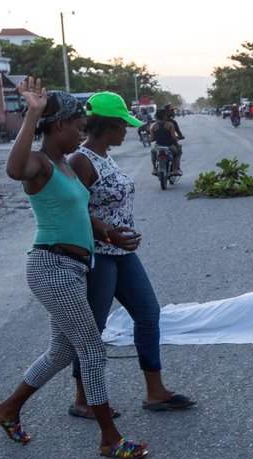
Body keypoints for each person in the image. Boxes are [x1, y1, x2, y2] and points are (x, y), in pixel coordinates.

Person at [0, 77, 147, 459]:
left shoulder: (64, 164)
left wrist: (109, 235)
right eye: (77, 125)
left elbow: (80, 213)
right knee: (92, 349)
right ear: (58, 126)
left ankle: (8, 409)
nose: (82, 132)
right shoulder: (40, 163)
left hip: (74, 266)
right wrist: (32, 114)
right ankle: (110, 437)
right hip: (52, 264)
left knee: (61, 350)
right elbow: (13, 169)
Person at [67, 92, 194, 418]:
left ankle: (155, 392)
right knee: (92, 328)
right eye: (123, 125)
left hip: (122, 254)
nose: (128, 131)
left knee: (149, 315)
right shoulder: (80, 161)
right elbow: (73, 212)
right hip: (99, 256)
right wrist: (108, 234)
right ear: (107, 126)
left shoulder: (106, 157)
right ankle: (83, 399)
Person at [149, 108, 180, 176]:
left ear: (156, 116)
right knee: (178, 153)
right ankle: (175, 169)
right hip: (169, 146)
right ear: (165, 116)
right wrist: (177, 146)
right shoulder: (170, 125)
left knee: (152, 152)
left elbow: (152, 139)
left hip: (158, 146)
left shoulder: (153, 126)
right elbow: (174, 138)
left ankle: (154, 168)